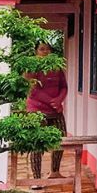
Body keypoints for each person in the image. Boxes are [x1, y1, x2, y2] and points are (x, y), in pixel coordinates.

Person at [25, 41, 68, 181]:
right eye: (42, 49)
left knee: (61, 139)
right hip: (37, 111)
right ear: (36, 51)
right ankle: (36, 178)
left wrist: (59, 100)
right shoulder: (31, 67)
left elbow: (64, 86)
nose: (45, 52)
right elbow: (32, 90)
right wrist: (52, 102)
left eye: (48, 49)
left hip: (56, 110)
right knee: (37, 143)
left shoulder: (57, 67)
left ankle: (55, 171)